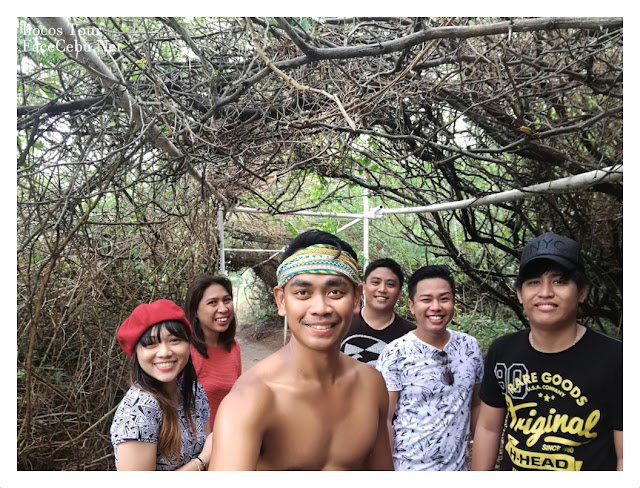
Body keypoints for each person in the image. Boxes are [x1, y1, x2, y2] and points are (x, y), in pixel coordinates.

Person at [209, 230, 394, 470]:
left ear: (357, 298)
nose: (320, 308)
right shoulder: (251, 400)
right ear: (281, 301)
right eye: (302, 292)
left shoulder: (371, 385)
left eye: (335, 291)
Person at [471, 232, 623, 471]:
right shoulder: (503, 351)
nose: (545, 292)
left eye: (559, 281)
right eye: (533, 282)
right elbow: (488, 428)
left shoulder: (616, 358)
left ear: (581, 292)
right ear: (520, 294)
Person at [377, 264, 483, 470]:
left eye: (444, 298)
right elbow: (385, 420)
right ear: (411, 305)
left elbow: (477, 405)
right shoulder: (396, 353)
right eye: (426, 300)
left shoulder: (470, 347)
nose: (436, 307)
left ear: (453, 301)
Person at [110, 299, 212, 471]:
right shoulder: (138, 411)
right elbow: (209, 453)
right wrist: (201, 462)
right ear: (136, 353)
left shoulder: (194, 392)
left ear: (188, 344)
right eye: (150, 344)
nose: (165, 352)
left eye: (174, 340)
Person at [185, 275, 241, 430]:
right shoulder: (186, 352)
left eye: (227, 300)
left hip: (230, 439)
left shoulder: (233, 347)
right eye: (212, 302)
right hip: (199, 448)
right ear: (195, 311)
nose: (223, 309)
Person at [341, 258, 415, 366]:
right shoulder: (342, 324)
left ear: (399, 292)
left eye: (390, 284)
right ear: (363, 288)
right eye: (376, 282)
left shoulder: (410, 335)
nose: (382, 289)